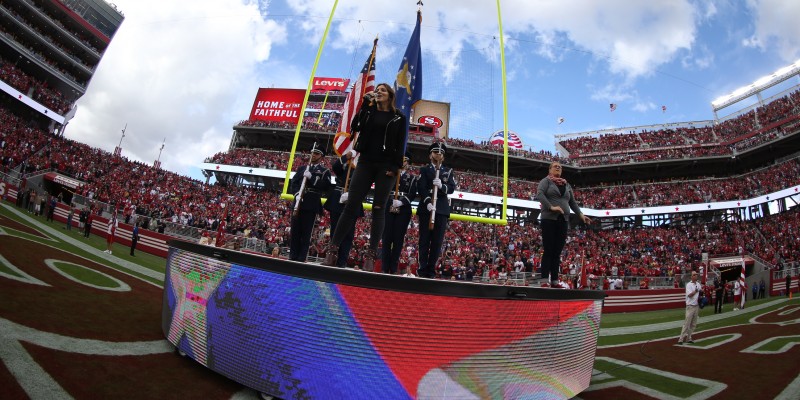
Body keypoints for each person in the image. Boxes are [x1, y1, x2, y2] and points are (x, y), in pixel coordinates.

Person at [322, 83, 407, 270]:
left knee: (378, 208)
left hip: (386, 166)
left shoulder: (399, 117)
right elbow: (355, 127)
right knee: (351, 205)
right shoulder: (369, 111)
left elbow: (401, 144)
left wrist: (395, 167)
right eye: (376, 90)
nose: (378, 92)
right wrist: (364, 106)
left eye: (382, 90)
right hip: (366, 162)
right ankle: (333, 250)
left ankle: (370, 254)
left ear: (390, 95)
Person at [537, 162, 592, 287]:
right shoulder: (546, 181)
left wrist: (581, 215)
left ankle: (555, 280)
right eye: (555, 166)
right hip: (549, 219)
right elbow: (539, 195)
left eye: (560, 167)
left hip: (563, 220)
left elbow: (572, 202)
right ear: (550, 169)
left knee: (557, 251)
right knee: (548, 250)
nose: (558, 167)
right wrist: (551, 207)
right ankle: (545, 280)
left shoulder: (566, 184)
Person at [415, 142, 456, 279]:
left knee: (437, 242)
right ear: (430, 154)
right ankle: (422, 269)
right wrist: (427, 201)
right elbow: (421, 187)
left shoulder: (448, 171)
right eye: (435, 152)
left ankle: (431, 270)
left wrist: (442, 186)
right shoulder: (424, 170)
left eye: (441, 153)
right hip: (427, 208)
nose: (438, 155)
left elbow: (451, 188)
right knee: (424, 240)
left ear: (443, 157)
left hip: (441, 209)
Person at [289, 143, 331, 262]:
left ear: (321, 156)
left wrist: (312, 178)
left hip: (311, 204)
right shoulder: (302, 168)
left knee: (306, 232)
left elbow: (325, 187)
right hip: (298, 202)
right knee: (295, 231)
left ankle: (302, 257)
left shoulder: (324, 171)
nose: (313, 155)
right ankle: (292, 256)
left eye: (316, 153)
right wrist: (297, 194)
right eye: (312, 153)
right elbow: (294, 182)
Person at [323, 151, 364, 269]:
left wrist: (352, 193)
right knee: (334, 230)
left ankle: (342, 261)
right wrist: (346, 157)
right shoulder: (345, 166)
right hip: (338, 198)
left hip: (353, 199)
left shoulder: (362, 168)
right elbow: (335, 167)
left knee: (348, 233)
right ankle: (331, 257)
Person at [381, 151, 417, 274]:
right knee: (386, 238)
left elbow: (412, 194)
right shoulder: (390, 174)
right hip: (389, 203)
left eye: (405, 160)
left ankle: (393, 266)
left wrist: (401, 202)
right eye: (401, 160)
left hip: (403, 207)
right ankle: (385, 267)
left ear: (408, 163)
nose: (403, 162)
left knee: (398, 239)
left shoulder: (412, 178)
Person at [678, 271, 701, 345]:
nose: (695, 276)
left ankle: (689, 337)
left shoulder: (698, 284)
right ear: (691, 277)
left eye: (696, 275)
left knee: (693, 324)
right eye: (694, 275)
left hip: (696, 306)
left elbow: (700, 292)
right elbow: (690, 295)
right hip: (690, 306)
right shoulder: (688, 285)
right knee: (687, 323)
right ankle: (681, 338)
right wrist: (696, 290)